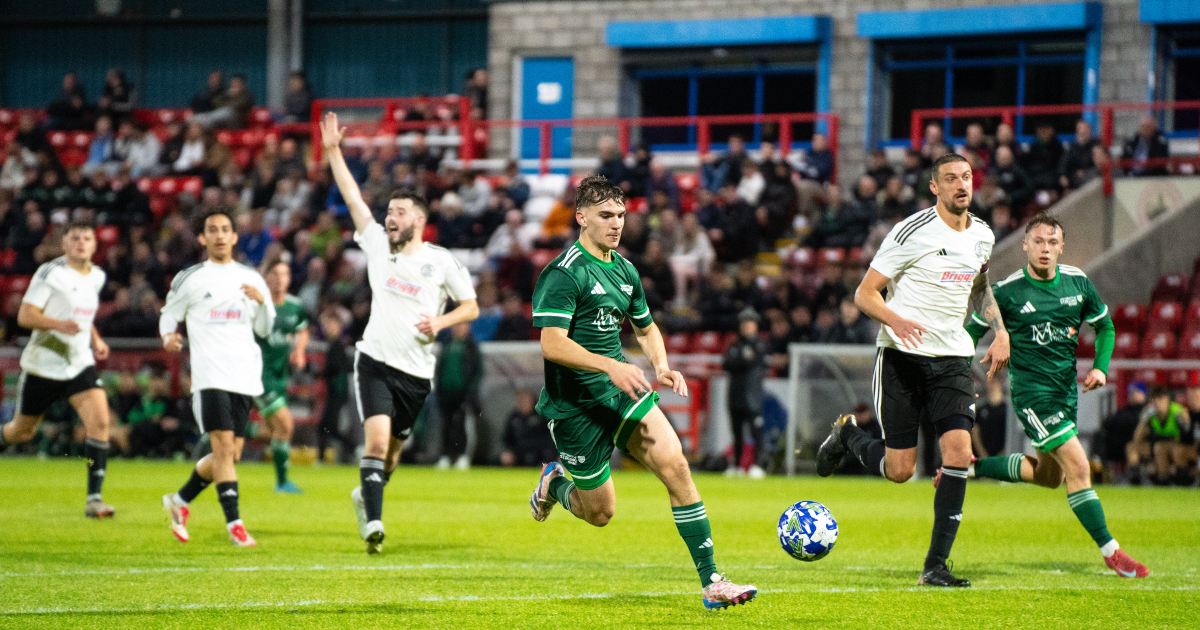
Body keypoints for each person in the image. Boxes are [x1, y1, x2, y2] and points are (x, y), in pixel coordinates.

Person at [527, 174, 756, 609]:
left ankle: (712, 582)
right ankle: (554, 484)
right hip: (575, 407)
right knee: (600, 513)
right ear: (581, 218)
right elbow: (551, 343)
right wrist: (611, 365)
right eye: (605, 216)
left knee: (676, 466)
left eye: (621, 216)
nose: (616, 224)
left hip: (623, 394)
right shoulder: (563, 273)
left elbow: (646, 328)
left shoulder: (627, 270)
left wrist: (662, 365)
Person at [815, 153, 1006, 588]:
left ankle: (935, 566)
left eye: (967, 177)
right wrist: (895, 320)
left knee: (958, 454)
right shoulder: (911, 231)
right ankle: (848, 435)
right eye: (951, 179)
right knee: (901, 470)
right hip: (901, 357)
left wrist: (1000, 331)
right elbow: (865, 294)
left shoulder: (983, 235)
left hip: (953, 359)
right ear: (934, 188)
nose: (962, 185)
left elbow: (979, 286)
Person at [321, 112, 479, 555]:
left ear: (419, 221)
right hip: (373, 361)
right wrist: (334, 151)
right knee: (373, 442)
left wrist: (441, 323)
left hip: (416, 373)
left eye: (400, 212)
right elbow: (353, 199)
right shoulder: (375, 245)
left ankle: (366, 494)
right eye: (389, 211)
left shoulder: (441, 261)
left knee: (391, 456)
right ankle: (373, 521)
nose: (390, 217)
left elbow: (471, 305)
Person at [963, 214, 1148, 578]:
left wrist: (1100, 367)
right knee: (1079, 468)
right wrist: (956, 376)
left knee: (1050, 477)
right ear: (1025, 246)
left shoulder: (1078, 283)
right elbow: (969, 334)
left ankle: (968, 467)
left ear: (1061, 247)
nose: (1045, 249)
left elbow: (1105, 326)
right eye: (1038, 242)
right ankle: (1112, 552)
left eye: (1052, 242)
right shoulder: (1006, 291)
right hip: (1033, 396)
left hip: (1066, 394)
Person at [159, 207, 275, 547]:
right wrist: (169, 337)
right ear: (202, 237)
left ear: (235, 236)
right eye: (213, 229)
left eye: (226, 229)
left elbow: (265, 329)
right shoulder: (191, 278)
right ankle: (235, 524)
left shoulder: (252, 279)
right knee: (223, 449)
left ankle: (179, 502)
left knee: (230, 456)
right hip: (210, 375)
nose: (220, 235)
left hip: (244, 376)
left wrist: (264, 304)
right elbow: (169, 316)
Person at [0, 222, 114, 518]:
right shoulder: (51, 273)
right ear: (63, 244)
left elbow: (83, 316)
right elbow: (26, 315)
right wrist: (58, 325)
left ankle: (94, 498)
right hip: (44, 364)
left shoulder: (97, 276)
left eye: (87, 238)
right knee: (21, 432)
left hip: (78, 362)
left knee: (100, 422)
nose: (81, 242)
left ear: (94, 244)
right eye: (74, 238)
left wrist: (96, 339)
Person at [255, 259, 310, 492]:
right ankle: (282, 482)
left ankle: (231, 432)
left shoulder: (295, 306)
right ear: (266, 277)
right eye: (275, 274)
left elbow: (303, 329)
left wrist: (298, 350)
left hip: (280, 375)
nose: (280, 279)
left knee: (274, 430)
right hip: (258, 375)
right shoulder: (257, 305)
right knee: (286, 425)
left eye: (284, 274)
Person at [721, 308, 768, 479]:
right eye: (744, 324)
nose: (747, 327)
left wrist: (739, 360)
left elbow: (751, 362)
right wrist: (742, 359)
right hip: (735, 395)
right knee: (737, 433)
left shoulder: (760, 344)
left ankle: (758, 464)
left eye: (750, 324)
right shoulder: (734, 344)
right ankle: (737, 465)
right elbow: (726, 364)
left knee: (756, 432)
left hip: (753, 396)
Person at [433, 321, 483, 470]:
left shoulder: (471, 347)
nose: (459, 328)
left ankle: (463, 456)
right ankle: (445, 455)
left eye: (462, 325)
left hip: (464, 393)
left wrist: (471, 392)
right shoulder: (446, 345)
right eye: (456, 325)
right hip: (446, 393)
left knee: (463, 425)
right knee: (446, 425)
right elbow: (440, 370)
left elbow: (477, 372)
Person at [1128, 387, 1193, 486]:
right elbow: (1137, 438)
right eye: (1155, 400)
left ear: (1167, 399)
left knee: (1162, 448)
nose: (1158, 404)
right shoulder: (1149, 412)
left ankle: (1170, 477)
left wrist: (1184, 420)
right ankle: (1135, 478)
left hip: (1176, 445)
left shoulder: (1177, 411)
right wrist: (1143, 421)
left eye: (1161, 400)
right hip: (1155, 444)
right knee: (1131, 447)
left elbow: (1188, 434)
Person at [317, 310, 356, 464]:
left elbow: (336, 368)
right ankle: (325, 457)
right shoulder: (336, 345)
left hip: (337, 392)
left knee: (328, 427)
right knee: (327, 427)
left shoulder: (337, 345)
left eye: (330, 324)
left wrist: (321, 373)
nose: (326, 328)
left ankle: (352, 448)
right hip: (336, 392)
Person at [500, 389, 556, 467]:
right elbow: (507, 437)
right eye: (520, 400)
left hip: (540, 451)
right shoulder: (514, 417)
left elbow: (550, 437)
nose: (523, 403)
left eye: (525, 400)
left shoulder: (541, 416)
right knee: (506, 457)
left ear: (532, 401)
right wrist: (509, 450)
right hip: (519, 451)